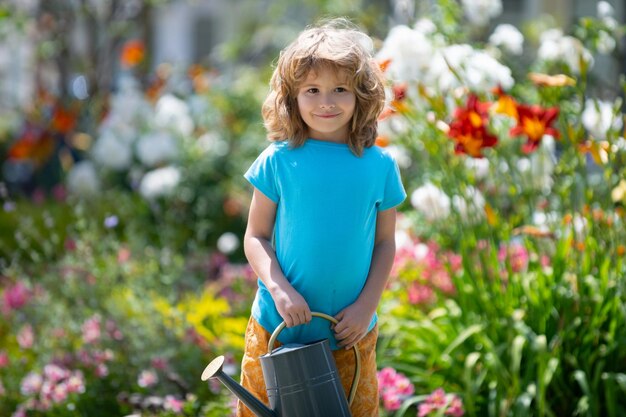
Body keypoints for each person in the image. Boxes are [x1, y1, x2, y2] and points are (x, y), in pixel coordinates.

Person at [238, 18, 406, 417]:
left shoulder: (379, 166)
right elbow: (255, 237)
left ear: (361, 95)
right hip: (277, 328)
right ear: (291, 97)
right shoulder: (277, 161)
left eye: (339, 90)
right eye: (312, 90)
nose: (325, 102)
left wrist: (367, 306)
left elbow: (385, 244)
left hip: (348, 334)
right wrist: (280, 291)